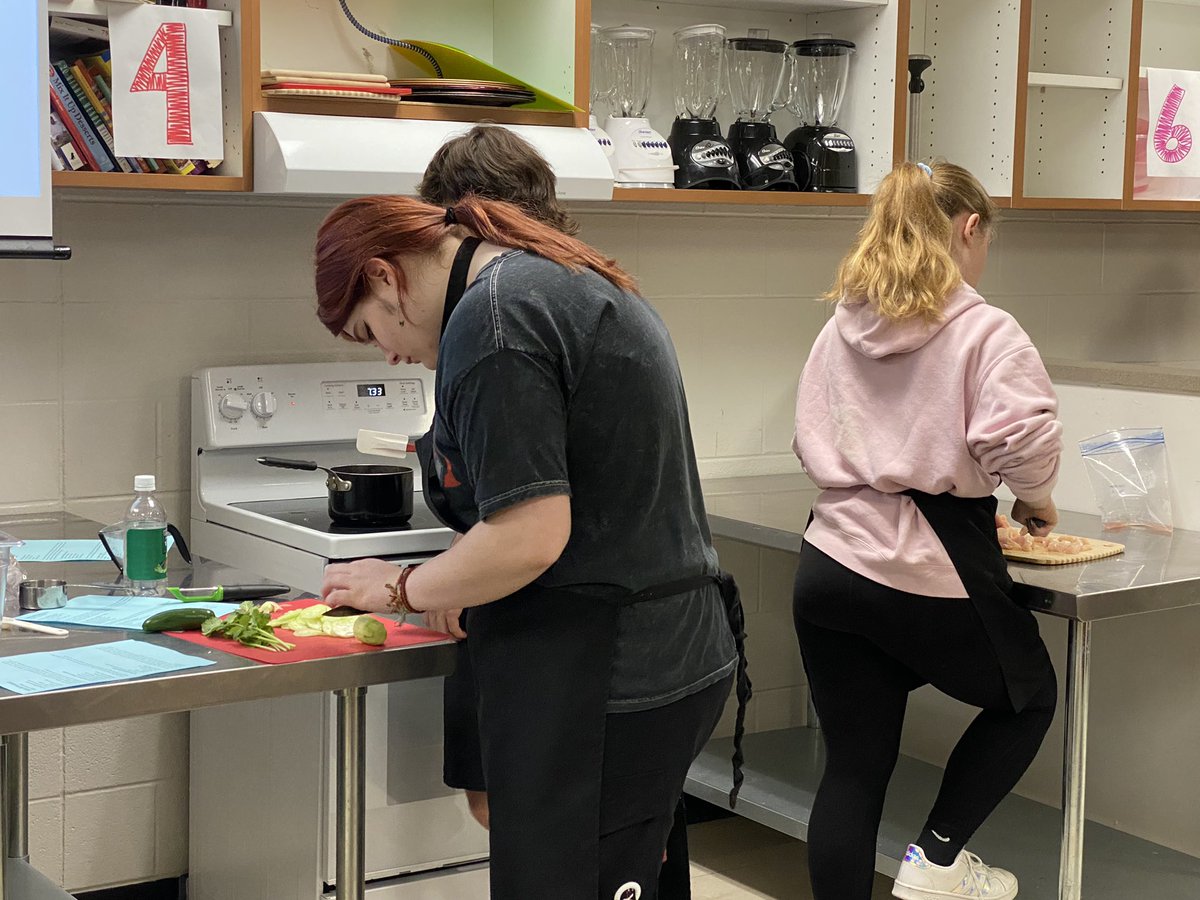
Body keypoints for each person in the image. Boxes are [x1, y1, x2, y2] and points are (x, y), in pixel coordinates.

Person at [315, 194, 751, 899]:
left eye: (370, 332)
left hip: (609, 676)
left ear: (384, 277)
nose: (390, 353)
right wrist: (462, 582)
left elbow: (528, 538)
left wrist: (399, 588)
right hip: (667, 650)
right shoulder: (546, 278)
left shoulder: (492, 321)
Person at [418, 124, 696, 895]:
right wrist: (463, 574)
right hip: (602, 637)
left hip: (593, 648)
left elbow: (532, 531)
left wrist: (422, 584)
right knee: (610, 852)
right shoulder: (581, 289)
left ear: (449, 220)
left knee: (588, 860)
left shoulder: (505, 311)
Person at [791, 161, 1061, 900]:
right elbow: (1024, 443)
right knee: (1029, 697)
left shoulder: (841, 324)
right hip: (926, 561)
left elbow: (810, 428)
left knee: (853, 767)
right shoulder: (986, 331)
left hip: (830, 557)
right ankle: (936, 863)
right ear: (970, 229)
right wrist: (1036, 500)